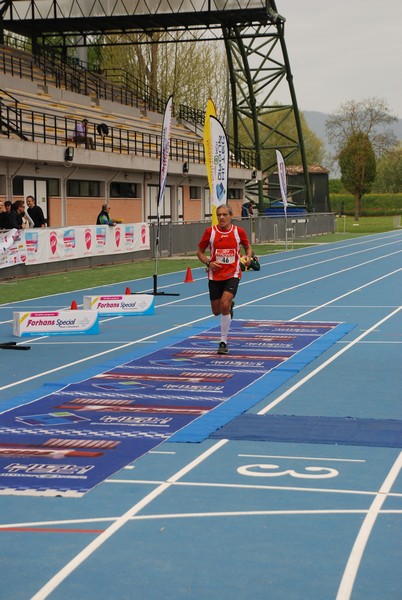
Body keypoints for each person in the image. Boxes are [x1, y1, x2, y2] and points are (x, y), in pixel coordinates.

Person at [197, 203, 253, 355]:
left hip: (232, 273)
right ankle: (228, 308)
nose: (221, 217)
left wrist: (248, 257)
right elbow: (200, 252)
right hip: (215, 275)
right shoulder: (210, 232)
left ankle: (223, 342)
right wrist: (208, 262)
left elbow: (248, 247)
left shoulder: (238, 232)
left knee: (224, 304)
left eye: (224, 215)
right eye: (219, 215)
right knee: (216, 311)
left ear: (231, 216)